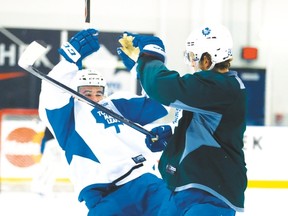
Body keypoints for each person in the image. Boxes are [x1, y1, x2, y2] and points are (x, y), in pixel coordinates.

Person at [38, 28, 176, 216]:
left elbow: (159, 104)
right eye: (86, 93)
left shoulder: (115, 104)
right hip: (106, 197)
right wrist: (68, 62)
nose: (94, 98)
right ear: (73, 92)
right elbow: (52, 95)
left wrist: (144, 70)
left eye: (98, 92)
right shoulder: (67, 116)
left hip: (146, 184)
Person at [119, 24, 247, 215]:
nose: (191, 63)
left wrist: (151, 57)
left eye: (193, 57)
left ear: (208, 58)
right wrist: (172, 137)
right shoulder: (209, 91)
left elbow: (163, 87)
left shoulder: (223, 87)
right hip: (182, 192)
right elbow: (202, 128)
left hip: (209, 196)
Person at [31, 127, 64, 196]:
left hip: (51, 142)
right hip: (54, 143)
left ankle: (40, 187)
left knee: (47, 166)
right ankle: (43, 188)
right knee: (52, 167)